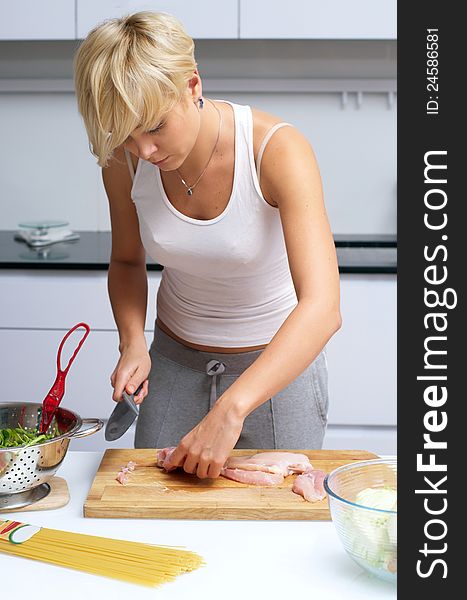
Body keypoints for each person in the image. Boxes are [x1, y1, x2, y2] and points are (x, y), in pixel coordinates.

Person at [74, 11, 341, 479]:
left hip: (275, 372)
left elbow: (322, 307)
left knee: (275, 523)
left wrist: (232, 410)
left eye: (155, 127)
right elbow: (126, 259)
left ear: (192, 86)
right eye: (127, 136)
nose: (145, 152)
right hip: (173, 366)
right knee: (158, 520)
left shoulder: (276, 150)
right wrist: (133, 342)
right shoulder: (124, 158)